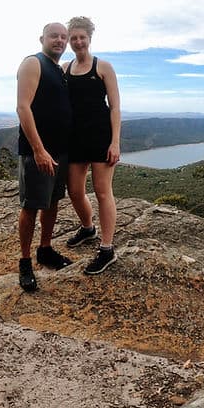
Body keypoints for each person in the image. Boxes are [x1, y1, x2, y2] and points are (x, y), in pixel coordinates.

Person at [16, 22, 74, 292]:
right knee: (31, 206)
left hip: (60, 151)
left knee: (52, 202)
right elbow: (23, 107)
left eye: (64, 37)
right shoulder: (33, 63)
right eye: (54, 36)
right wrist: (39, 149)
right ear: (42, 38)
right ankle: (25, 261)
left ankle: (45, 249)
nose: (60, 40)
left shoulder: (60, 70)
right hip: (37, 152)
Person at [63, 16, 121, 274]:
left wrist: (115, 142)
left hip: (100, 136)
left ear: (89, 38)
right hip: (74, 137)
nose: (78, 42)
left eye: (81, 37)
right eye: (73, 38)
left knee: (102, 191)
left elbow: (116, 107)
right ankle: (88, 228)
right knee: (74, 190)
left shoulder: (103, 67)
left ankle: (107, 249)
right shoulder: (65, 68)